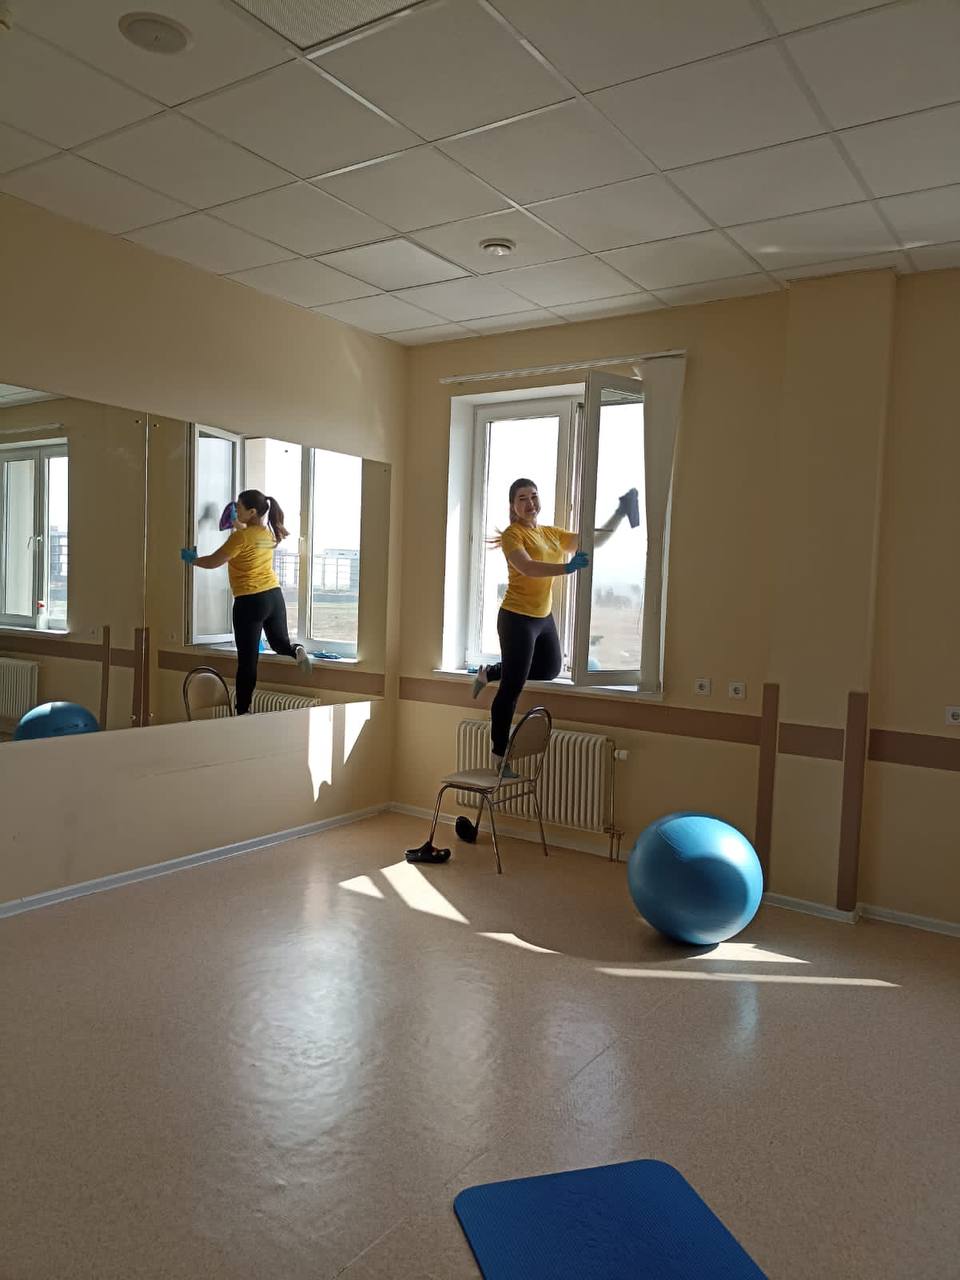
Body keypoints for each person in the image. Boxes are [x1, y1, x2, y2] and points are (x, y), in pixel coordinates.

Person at [472, 478, 639, 771]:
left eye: (534, 496)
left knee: (549, 669)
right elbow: (527, 567)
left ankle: (491, 672)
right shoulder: (513, 535)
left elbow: (593, 540)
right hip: (516, 617)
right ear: (513, 506)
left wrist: (620, 513)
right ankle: (499, 756)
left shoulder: (551, 533)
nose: (530, 503)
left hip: (543, 617)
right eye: (522, 498)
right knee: (512, 688)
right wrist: (566, 567)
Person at [181, 489, 311, 715]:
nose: (235, 509)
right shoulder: (268, 533)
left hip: (250, 601)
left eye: (239, 507)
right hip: (273, 597)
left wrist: (193, 560)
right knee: (280, 644)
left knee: (248, 660)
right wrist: (236, 522)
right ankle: (296, 650)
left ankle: (242, 711)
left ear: (252, 512)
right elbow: (248, 535)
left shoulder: (239, 537)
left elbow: (214, 561)